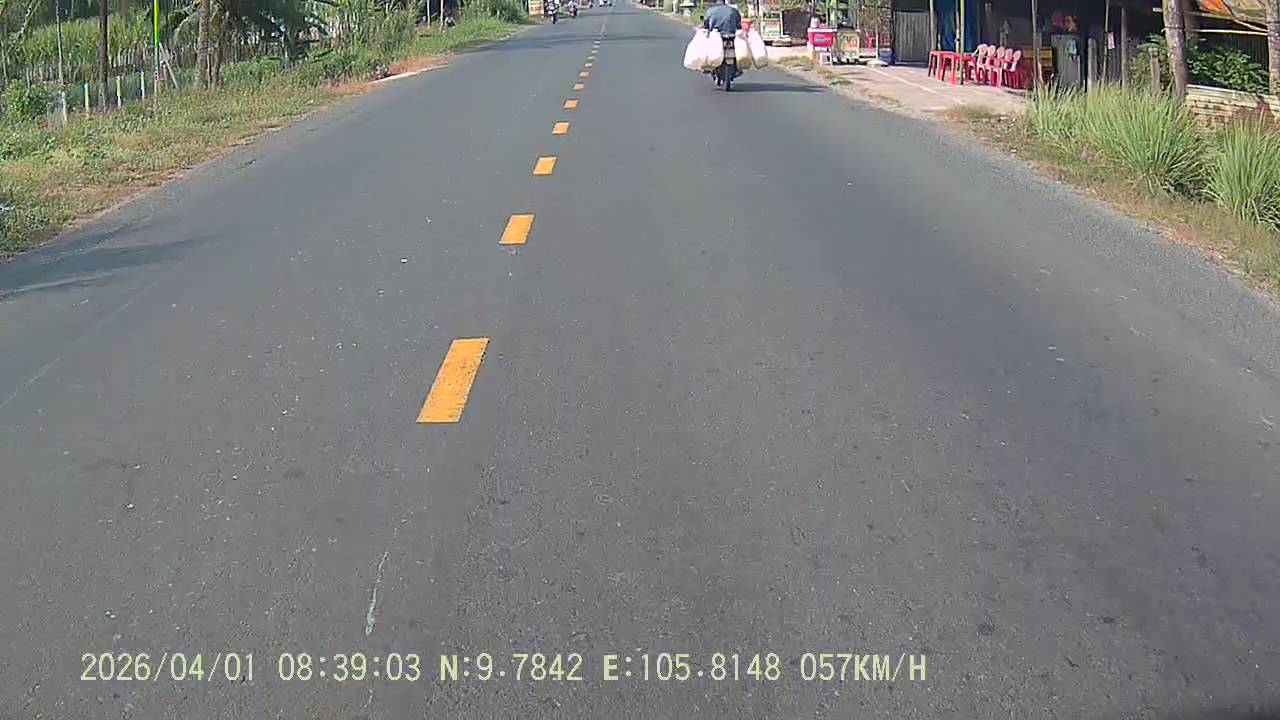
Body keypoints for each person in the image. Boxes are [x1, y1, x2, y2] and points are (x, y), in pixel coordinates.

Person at [702, 0, 742, 77]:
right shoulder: (733, 10)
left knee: (707, 47)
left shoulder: (710, 11)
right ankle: (737, 68)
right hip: (731, 35)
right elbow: (738, 24)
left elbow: (706, 24)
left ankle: (708, 66)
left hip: (715, 36)